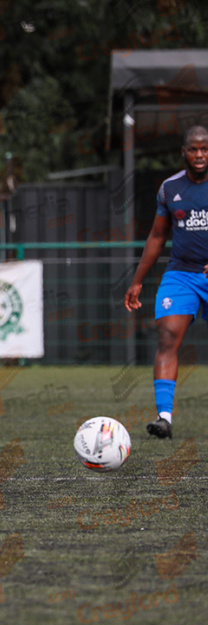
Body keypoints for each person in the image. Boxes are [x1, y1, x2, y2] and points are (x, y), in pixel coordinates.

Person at [124, 124, 208, 440]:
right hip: (181, 274)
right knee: (167, 335)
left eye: (205, 149)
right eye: (194, 149)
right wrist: (137, 281)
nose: (199, 155)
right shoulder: (169, 188)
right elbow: (158, 235)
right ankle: (164, 418)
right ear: (184, 152)